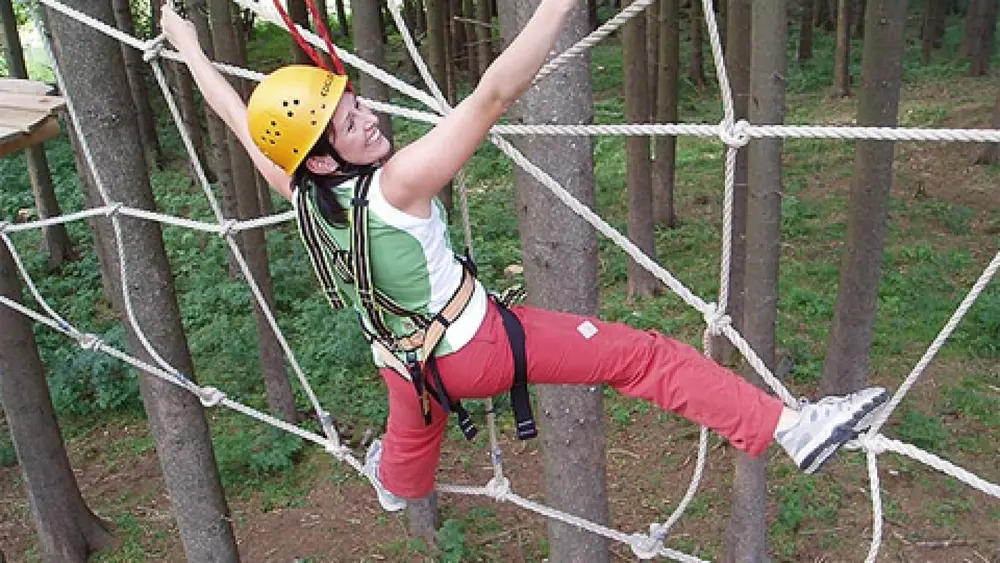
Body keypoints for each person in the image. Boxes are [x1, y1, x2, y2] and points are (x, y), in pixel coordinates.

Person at [161, 0, 888, 513]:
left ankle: (396, 483)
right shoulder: (399, 182)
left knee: (407, 456)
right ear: (323, 159)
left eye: (359, 107)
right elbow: (494, 92)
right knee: (643, 356)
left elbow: (235, 115)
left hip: (405, 365)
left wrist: (188, 46)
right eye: (352, 124)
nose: (371, 119)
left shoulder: (296, 187)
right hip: (476, 346)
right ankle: (794, 430)